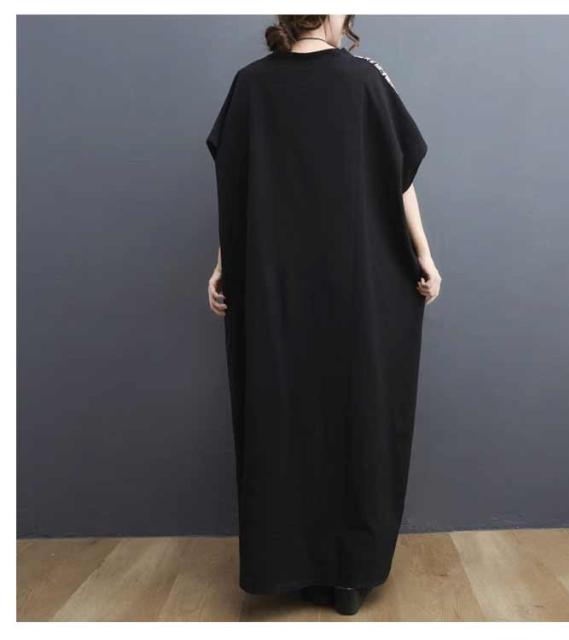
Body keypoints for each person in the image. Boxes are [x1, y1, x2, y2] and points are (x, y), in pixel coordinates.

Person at [206, 15, 441, 616]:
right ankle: (348, 575)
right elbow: (398, 177)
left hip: (275, 289)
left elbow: (235, 189)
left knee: (283, 413)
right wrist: (423, 253)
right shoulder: (364, 80)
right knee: (357, 411)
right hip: (357, 286)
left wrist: (224, 263)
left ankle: (291, 566)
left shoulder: (250, 86)